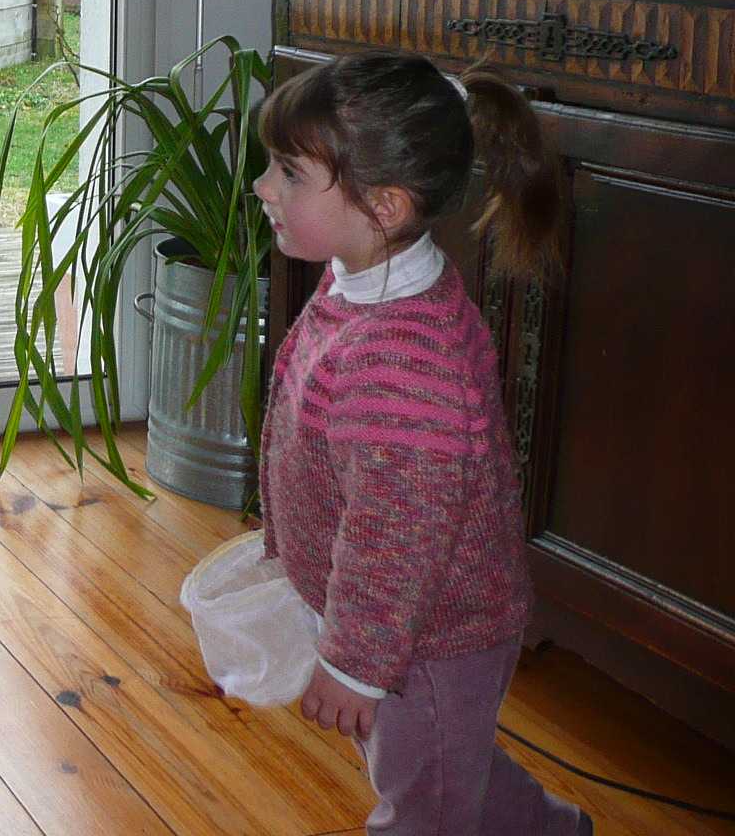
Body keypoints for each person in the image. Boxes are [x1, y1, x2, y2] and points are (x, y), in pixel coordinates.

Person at [252, 53, 589, 836]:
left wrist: (354, 664)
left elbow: (396, 536)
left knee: (424, 802)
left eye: (290, 173)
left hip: (428, 641)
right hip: (399, 627)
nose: (265, 188)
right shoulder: (362, 281)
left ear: (384, 206)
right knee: (441, 768)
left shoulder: (403, 357)